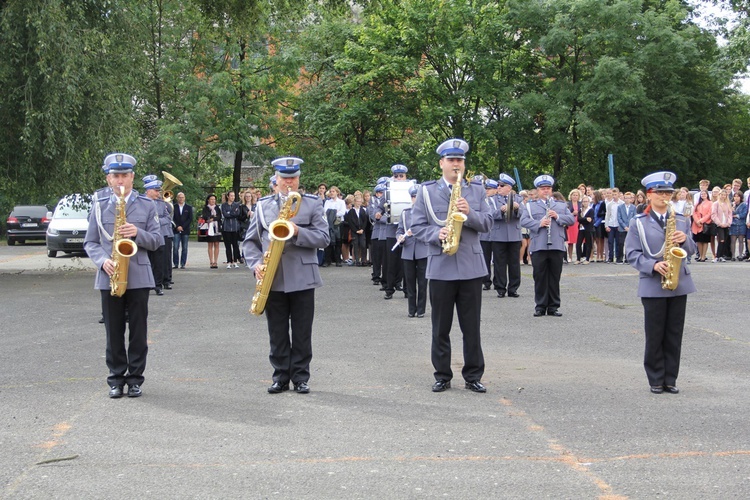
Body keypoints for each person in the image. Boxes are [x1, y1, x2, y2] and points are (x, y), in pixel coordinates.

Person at [410, 138, 492, 393]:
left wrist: (470, 214)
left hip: (470, 266)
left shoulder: (476, 190)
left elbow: (488, 223)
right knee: (440, 326)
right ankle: (442, 375)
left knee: (472, 327)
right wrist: (437, 235)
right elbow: (417, 227)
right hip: (441, 265)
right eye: (452, 160)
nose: (456, 164)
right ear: (441, 163)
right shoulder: (426, 191)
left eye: (460, 160)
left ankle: (473, 375)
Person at [243, 156, 330, 394]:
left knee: (302, 330)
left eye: (292, 177)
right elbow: (250, 242)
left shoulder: (312, 204)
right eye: (284, 178)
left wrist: (297, 230)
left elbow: (324, 238)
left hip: (303, 275)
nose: (288, 182)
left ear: (298, 178)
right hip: (273, 275)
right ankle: (280, 376)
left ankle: (301, 377)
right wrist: (255, 264)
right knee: (277, 331)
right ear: (276, 179)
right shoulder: (263, 205)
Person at [84, 153, 162, 398]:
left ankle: (135, 379)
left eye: (125, 175)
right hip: (110, 274)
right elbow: (91, 242)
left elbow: (157, 241)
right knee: (113, 331)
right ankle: (116, 379)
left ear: (132, 177)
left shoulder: (147, 204)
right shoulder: (98, 205)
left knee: (138, 331)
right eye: (115, 175)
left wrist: (137, 232)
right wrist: (102, 261)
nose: (120, 180)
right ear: (108, 178)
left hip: (138, 275)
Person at [624, 171, 696, 394]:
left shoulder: (681, 219)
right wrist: (652, 266)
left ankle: (670, 378)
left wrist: (685, 240)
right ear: (649, 195)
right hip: (653, 283)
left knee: (674, 333)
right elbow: (631, 253)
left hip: (679, 282)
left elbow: (692, 249)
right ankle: (655, 378)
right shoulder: (639, 222)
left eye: (668, 192)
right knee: (655, 333)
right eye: (660, 192)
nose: (665, 196)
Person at [520, 175, 575, 317]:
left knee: (554, 276)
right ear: (538, 191)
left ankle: (553, 306)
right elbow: (523, 220)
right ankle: (540, 306)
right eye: (543, 189)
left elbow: (571, 220)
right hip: (539, 245)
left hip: (556, 245)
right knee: (539, 276)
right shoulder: (530, 206)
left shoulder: (561, 205)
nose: (546, 191)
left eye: (548, 188)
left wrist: (557, 216)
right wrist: (539, 223)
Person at [397, 184, 429, 318]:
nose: (415, 198)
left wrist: (416, 232)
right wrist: (400, 238)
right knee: (410, 282)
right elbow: (399, 230)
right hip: (408, 250)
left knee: (422, 282)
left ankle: (421, 309)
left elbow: (430, 231)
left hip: (423, 250)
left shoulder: (427, 213)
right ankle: (411, 309)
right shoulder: (405, 213)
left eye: (417, 196)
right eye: (413, 196)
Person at [380, 164, 411, 299]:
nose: (398, 178)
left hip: (407, 232)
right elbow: (378, 208)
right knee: (391, 262)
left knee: (407, 262)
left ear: (405, 177)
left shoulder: (411, 189)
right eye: (396, 176)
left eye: (401, 176)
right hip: (392, 231)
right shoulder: (388, 190)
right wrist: (378, 215)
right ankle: (389, 289)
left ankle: (407, 290)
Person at [491, 174, 522, 297]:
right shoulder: (493, 199)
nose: (498, 187)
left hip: (514, 234)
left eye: (501, 185)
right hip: (499, 235)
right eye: (498, 185)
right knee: (499, 263)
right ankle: (500, 288)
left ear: (509, 188)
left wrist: (515, 209)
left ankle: (513, 288)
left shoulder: (517, 199)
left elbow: (522, 214)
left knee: (514, 263)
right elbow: (490, 214)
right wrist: (501, 210)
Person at [143, 175, 170, 295]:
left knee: (159, 263)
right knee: (146, 262)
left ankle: (158, 285)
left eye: (158, 190)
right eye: (156, 190)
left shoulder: (160, 203)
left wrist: (156, 221)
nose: (158, 193)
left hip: (159, 236)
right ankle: (146, 284)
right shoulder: (140, 202)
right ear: (148, 191)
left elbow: (167, 218)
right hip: (145, 237)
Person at [480, 179, 498, 290]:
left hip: (497, 234)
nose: (487, 191)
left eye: (489, 189)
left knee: (498, 260)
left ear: (496, 190)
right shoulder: (482, 200)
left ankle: (498, 281)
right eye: (485, 188)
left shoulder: (499, 200)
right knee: (485, 259)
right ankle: (486, 281)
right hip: (484, 234)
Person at [345, 192, 368, 266]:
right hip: (354, 231)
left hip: (362, 230)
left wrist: (362, 229)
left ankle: (364, 260)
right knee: (355, 245)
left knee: (363, 245)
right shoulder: (351, 211)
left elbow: (365, 221)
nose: (359, 203)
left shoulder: (363, 210)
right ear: (354, 202)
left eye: (360, 202)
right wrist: (355, 230)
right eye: (358, 202)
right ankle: (357, 260)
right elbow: (350, 222)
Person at [221, 191, 242, 268]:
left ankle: (235, 261)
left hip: (235, 227)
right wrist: (231, 213)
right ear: (228, 196)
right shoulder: (224, 205)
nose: (233, 197)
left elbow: (237, 214)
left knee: (235, 245)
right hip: (226, 228)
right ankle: (229, 261)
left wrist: (230, 213)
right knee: (228, 246)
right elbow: (225, 215)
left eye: (233, 196)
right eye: (231, 196)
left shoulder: (236, 205)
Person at [172, 192, 192, 269]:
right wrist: (177, 226)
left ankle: (183, 263)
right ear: (177, 198)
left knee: (185, 247)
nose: (181, 199)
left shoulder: (188, 207)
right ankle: (176, 263)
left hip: (185, 230)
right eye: (179, 197)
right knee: (175, 247)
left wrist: (182, 227)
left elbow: (190, 219)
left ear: (184, 198)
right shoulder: (173, 207)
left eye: (182, 197)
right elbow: (172, 218)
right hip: (176, 230)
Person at [202, 194, 222, 268]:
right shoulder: (205, 208)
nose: (213, 201)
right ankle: (211, 261)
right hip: (209, 227)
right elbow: (205, 216)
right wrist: (212, 217)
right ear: (208, 200)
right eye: (211, 199)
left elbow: (219, 216)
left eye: (214, 199)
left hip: (217, 227)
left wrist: (213, 218)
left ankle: (215, 262)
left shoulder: (217, 208)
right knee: (210, 244)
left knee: (216, 244)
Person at [711, 190, 732, 262]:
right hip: (719, 225)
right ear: (719, 195)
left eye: (724, 195)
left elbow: (730, 214)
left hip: (726, 225)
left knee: (725, 240)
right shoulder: (715, 204)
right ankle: (717, 256)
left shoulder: (728, 204)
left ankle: (721, 255)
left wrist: (728, 223)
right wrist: (719, 223)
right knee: (721, 240)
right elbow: (714, 215)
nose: (723, 196)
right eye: (722, 195)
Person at [691, 190, 712, 262]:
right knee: (699, 240)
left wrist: (702, 220)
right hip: (697, 224)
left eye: (704, 194)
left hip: (705, 224)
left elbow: (709, 214)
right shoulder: (697, 203)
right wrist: (697, 221)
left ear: (707, 195)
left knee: (705, 240)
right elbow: (694, 213)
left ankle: (704, 256)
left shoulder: (710, 203)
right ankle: (700, 255)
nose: (703, 195)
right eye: (702, 194)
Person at [616, 192, 637, 264]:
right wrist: (624, 226)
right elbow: (619, 218)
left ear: (631, 199)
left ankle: (628, 258)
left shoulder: (633, 207)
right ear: (624, 199)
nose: (627, 200)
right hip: (622, 228)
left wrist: (630, 227)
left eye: (629, 198)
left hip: (630, 228)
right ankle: (620, 258)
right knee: (621, 243)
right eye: (626, 198)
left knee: (629, 244)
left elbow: (635, 217)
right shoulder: (620, 207)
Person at [576, 195, 594, 264]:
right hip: (581, 228)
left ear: (589, 202)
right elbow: (579, 219)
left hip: (588, 228)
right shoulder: (580, 210)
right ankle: (578, 258)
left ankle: (587, 259)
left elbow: (590, 220)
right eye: (584, 201)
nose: (585, 203)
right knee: (578, 243)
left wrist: (584, 220)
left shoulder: (591, 210)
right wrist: (586, 219)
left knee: (588, 244)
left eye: (586, 201)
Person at [730, 191, 747, 260]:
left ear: (741, 197)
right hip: (733, 224)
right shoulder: (731, 204)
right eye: (735, 196)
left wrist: (736, 215)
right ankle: (733, 255)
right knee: (733, 241)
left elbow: (744, 214)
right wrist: (733, 208)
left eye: (738, 196)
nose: (736, 198)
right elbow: (729, 214)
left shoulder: (744, 205)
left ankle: (740, 255)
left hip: (741, 224)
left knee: (740, 240)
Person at [566, 189, 581, 263]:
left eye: (576, 195)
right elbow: (565, 214)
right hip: (571, 224)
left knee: (579, 241)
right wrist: (572, 214)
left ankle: (579, 257)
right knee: (570, 242)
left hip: (579, 223)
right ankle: (570, 257)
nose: (575, 196)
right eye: (573, 195)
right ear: (571, 196)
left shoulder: (580, 204)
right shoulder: (568, 204)